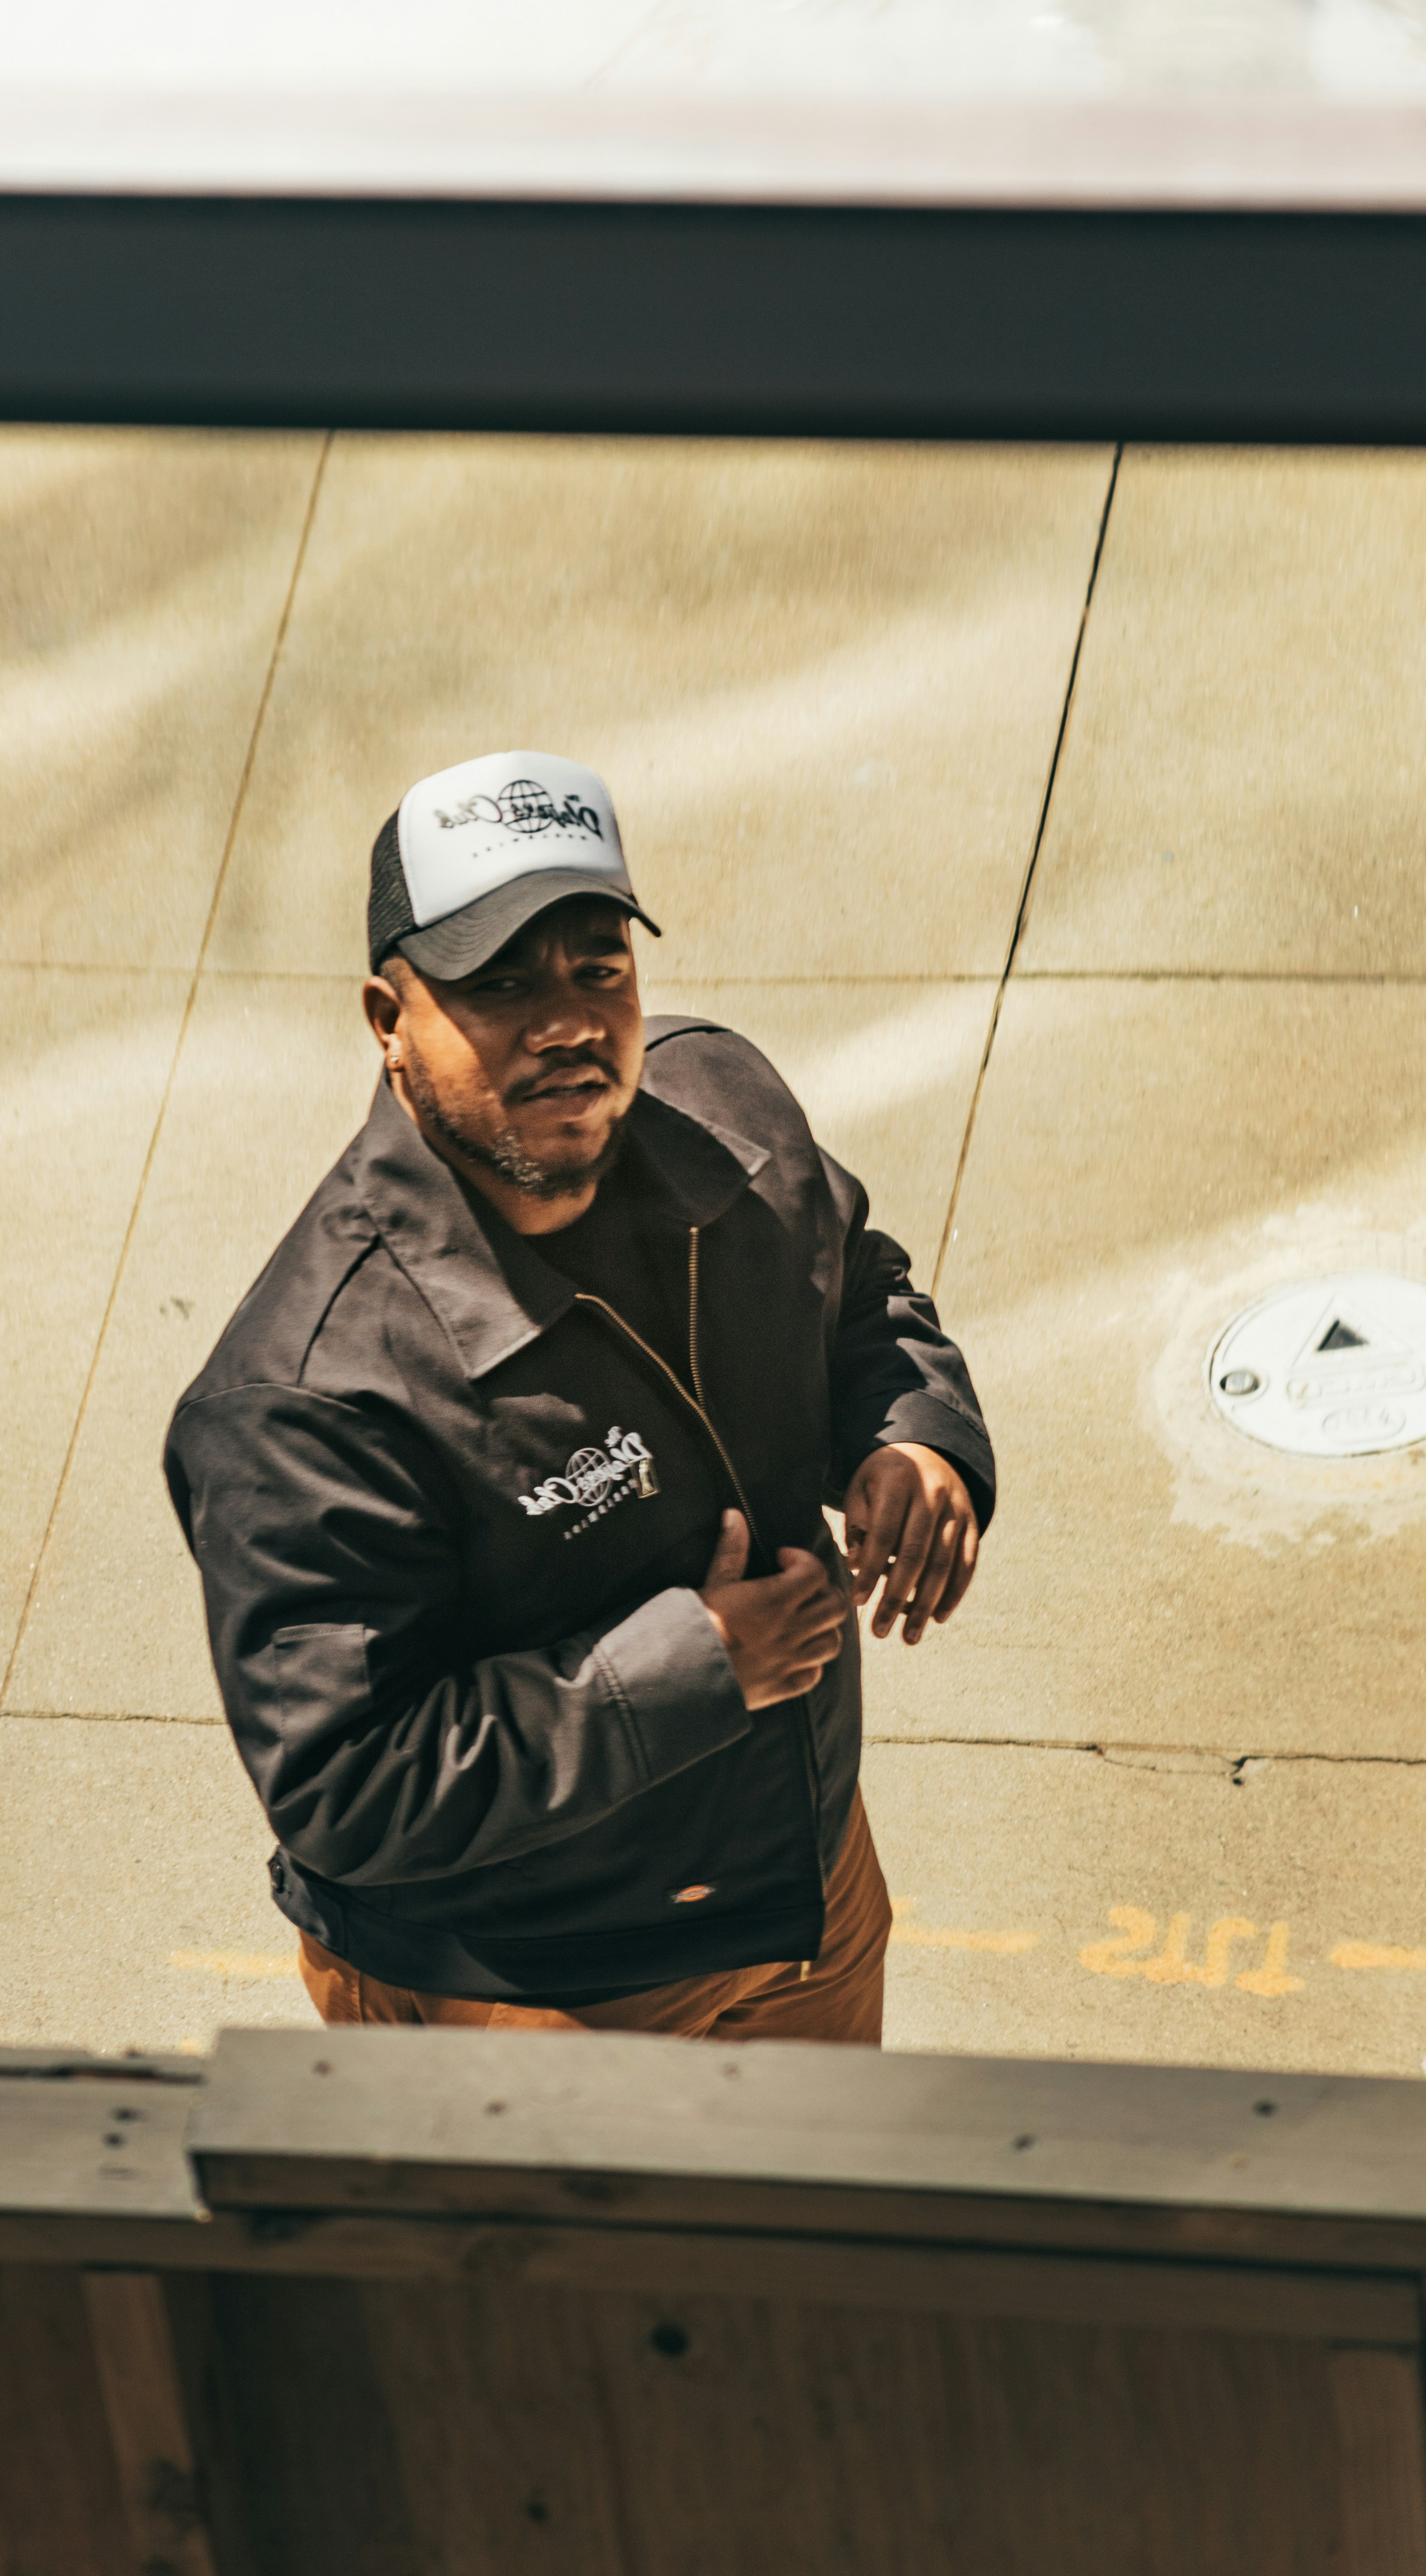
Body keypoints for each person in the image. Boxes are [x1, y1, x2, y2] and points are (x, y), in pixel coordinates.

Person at [165, 750, 994, 2045]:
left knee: (816, 2245)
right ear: (388, 1020)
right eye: (496, 982)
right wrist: (692, 1672)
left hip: (806, 1899)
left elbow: (856, 1287)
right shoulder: (311, 1396)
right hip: (530, 1993)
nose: (565, 1020)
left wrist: (911, 1435)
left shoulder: (728, 1106)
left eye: (596, 966)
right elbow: (343, 1785)